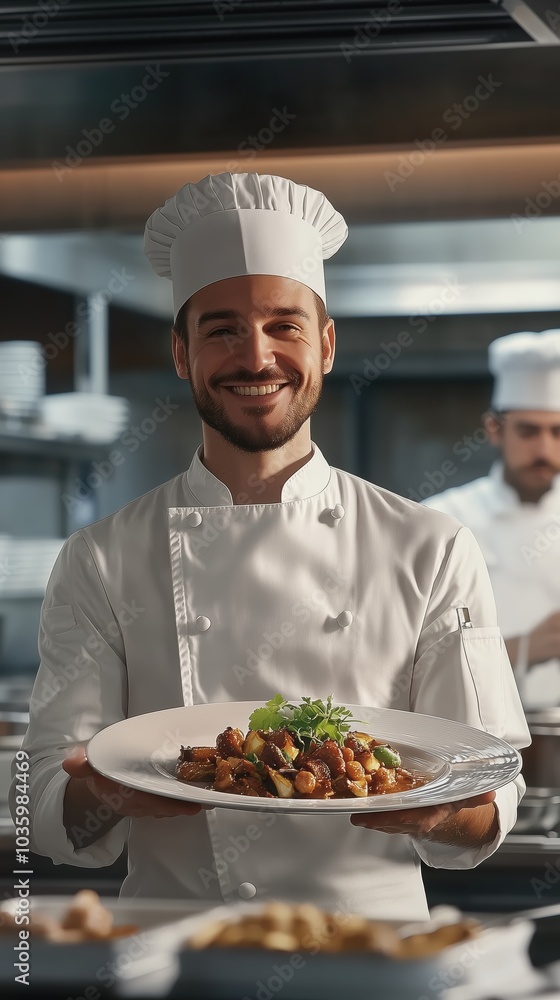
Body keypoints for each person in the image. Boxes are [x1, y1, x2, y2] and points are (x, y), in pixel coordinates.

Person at [12, 173, 529, 921]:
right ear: (182, 354)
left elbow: (490, 791)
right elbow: (42, 809)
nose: (255, 358)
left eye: (283, 325)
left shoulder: (432, 546)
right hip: (176, 951)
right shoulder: (101, 558)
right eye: (221, 329)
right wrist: (104, 793)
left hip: (371, 950)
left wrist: (437, 811)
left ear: (324, 344)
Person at [424, 330, 560, 710]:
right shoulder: (441, 520)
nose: (544, 450)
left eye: (557, 432)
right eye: (529, 431)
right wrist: (523, 648)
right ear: (495, 429)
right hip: (479, 732)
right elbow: (411, 654)